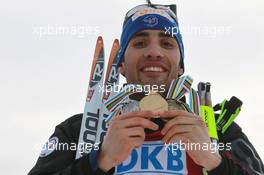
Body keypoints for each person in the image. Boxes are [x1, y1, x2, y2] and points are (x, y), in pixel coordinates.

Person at [28, 3, 264, 175]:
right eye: (140, 42)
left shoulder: (217, 129)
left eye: (167, 43)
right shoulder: (80, 130)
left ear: (181, 66)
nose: (154, 51)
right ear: (120, 64)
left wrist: (215, 163)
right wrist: (98, 160)